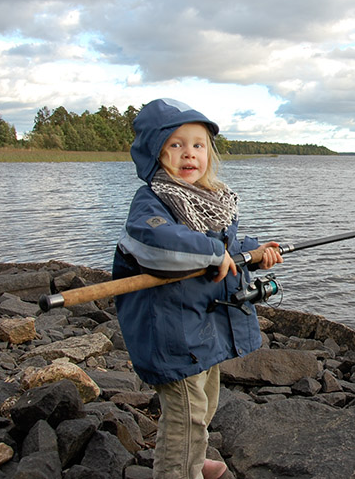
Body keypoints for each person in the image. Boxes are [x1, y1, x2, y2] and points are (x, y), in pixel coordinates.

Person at [112, 98, 282, 479]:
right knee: (184, 415)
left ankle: (192, 458)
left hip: (203, 328)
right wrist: (211, 252)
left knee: (203, 405)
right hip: (172, 334)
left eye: (198, 145)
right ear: (154, 152)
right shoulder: (152, 202)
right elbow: (157, 242)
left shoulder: (210, 200)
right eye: (176, 144)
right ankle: (176, 470)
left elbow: (226, 244)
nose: (189, 153)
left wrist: (254, 252)